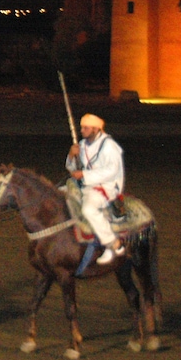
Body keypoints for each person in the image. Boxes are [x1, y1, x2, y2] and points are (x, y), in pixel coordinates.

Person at [66, 113, 126, 264]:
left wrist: (84, 174)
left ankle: (112, 243)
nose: (82, 130)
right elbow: (72, 169)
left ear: (95, 129)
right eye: (81, 127)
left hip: (105, 185)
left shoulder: (109, 146)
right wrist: (72, 156)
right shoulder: (82, 144)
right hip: (86, 183)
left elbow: (112, 170)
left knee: (88, 209)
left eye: (86, 128)